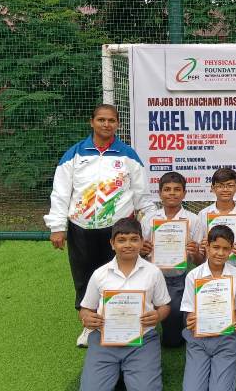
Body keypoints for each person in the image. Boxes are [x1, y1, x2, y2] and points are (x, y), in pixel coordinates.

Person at [44, 104, 155, 346]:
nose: (106, 124)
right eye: (101, 120)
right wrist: (57, 227)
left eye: (111, 120)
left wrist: (149, 230)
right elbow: (61, 193)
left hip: (117, 230)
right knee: (84, 277)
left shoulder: (128, 156)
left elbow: (142, 197)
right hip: (80, 228)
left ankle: (121, 322)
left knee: (118, 276)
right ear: (91, 122)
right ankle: (89, 325)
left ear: (117, 124)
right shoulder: (74, 154)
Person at [78, 217, 171, 391]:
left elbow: (164, 305)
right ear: (112, 244)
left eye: (134, 239)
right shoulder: (100, 274)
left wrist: (158, 315)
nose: (128, 245)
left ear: (141, 242)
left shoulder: (153, 272)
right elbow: (86, 309)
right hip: (104, 339)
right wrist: (86, 318)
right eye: (121, 240)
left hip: (143, 340)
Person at [140, 171, 204, 347]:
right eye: (167, 189)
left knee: (173, 341)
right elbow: (139, 254)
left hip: (178, 280)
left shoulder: (193, 220)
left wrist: (195, 252)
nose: (172, 193)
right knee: (140, 322)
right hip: (150, 278)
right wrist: (143, 251)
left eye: (177, 189)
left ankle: (173, 321)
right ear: (159, 193)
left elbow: (199, 261)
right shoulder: (149, 219)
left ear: (184, 193)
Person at [180, 225, 236, 391]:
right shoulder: (194, 275)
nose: (220, 253)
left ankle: (235, 356)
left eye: (226, 249)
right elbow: (189, 310)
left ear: (231, 250)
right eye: (216, 247)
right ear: (207, 247)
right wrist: (191, 319)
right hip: (199, 338)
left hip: (226, 338)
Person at [195, 168, 236, 269]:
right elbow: (199, 251)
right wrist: (201, 246)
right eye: (220, 186)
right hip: (209, 270)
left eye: (230, 185)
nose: (225, 189)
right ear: (212, 188)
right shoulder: (203, 214)